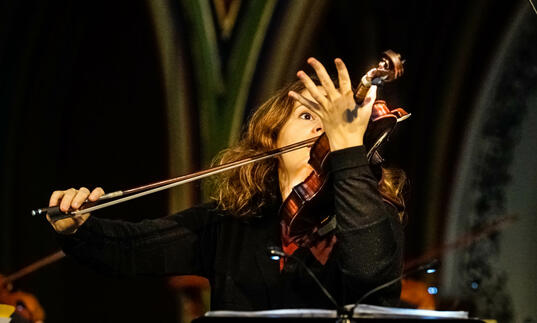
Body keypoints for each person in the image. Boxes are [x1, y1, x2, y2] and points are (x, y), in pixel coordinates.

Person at [47, 58, 405, 310]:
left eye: (330, 120)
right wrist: (79, 227)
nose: (321, 128)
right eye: (308, 114)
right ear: (274, 136)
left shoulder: (370, 213)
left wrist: (348, 153)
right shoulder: (232, 223)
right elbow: (133, 249)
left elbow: (369, 272)